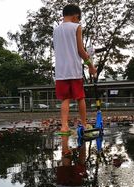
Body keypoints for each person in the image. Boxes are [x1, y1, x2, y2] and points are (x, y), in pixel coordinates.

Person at [53, 4, 97, 134]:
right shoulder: (76, 27)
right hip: (74, 69)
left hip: (61, 71)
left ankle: (64, 127)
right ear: (75, 16)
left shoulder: (56, 30)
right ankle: (84, 125)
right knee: (80, 97)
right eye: (79, 18)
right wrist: (91, 66)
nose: (79, 21)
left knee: (65, 99)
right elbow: (80, 50)